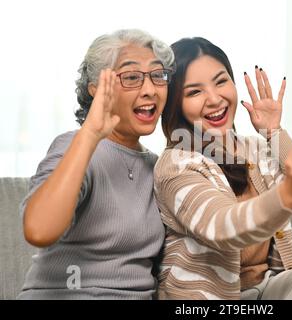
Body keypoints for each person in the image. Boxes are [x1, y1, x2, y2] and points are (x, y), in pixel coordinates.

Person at [154, 37, 292, 300]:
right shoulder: (175, 165)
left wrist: (274, 133)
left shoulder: (254, 149)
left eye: (221, 81)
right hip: (207, 300)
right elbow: (224, 229)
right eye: (194, 92)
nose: (214, 98)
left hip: (268, 290)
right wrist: (287, 195)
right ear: (176, 104)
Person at [17, 29, 174, 299]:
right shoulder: (74, 146)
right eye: (132, 77)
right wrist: (90, 135)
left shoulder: (158, 167)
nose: (149, 90)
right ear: (96, 89)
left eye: (157, 76)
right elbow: (38, 229)